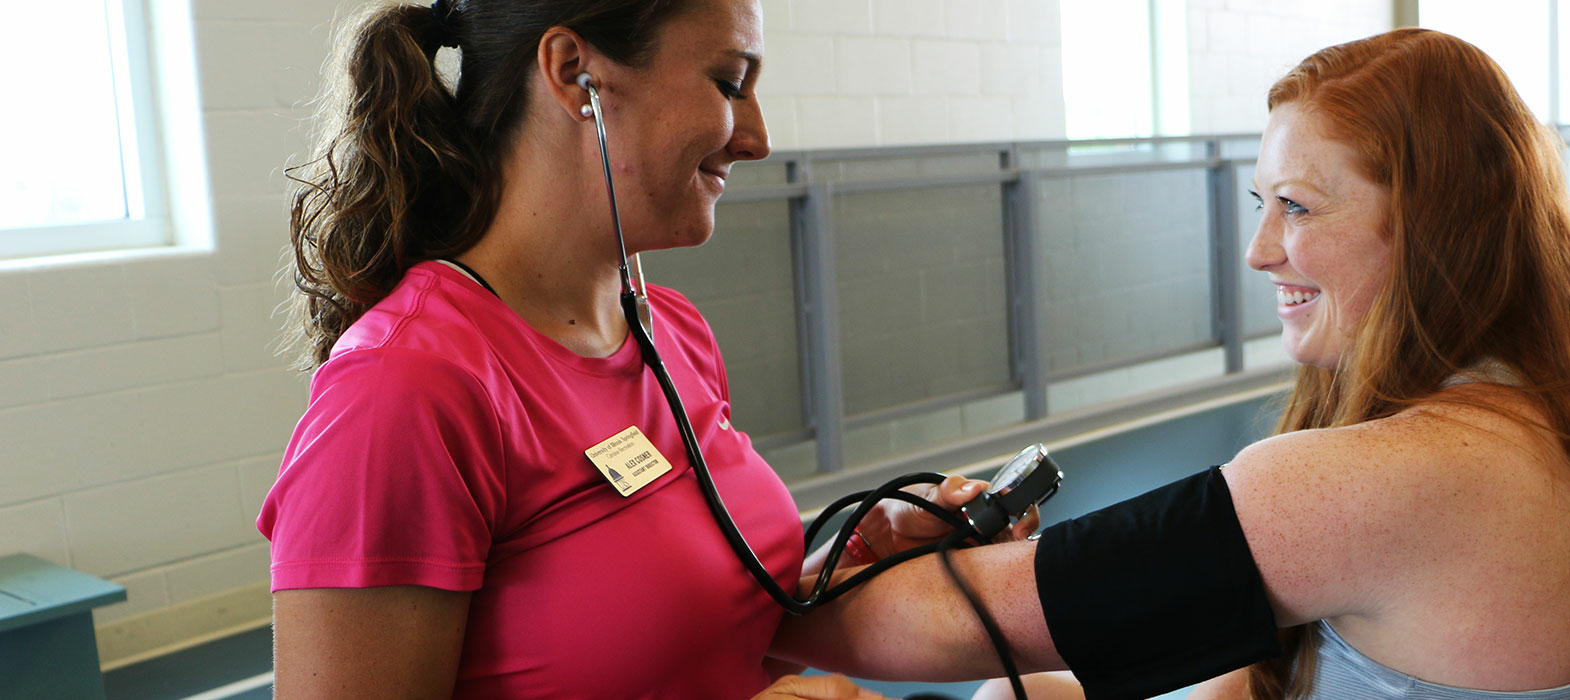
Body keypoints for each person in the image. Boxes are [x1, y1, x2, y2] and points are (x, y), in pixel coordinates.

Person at [770, 28, 1570, 700]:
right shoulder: (1535, 415)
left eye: (1296, 206)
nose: (1259, 251)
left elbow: (923, 629)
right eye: (1263, 202)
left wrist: (770, 590)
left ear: (1430, 233)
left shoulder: (1391, 478)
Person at [258, 1, 1025, 698]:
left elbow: (674, 636)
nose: (756, 139)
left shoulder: (671, 331)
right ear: (573, 74)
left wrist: (846, 559)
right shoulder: (404, 389)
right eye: (728, 83)